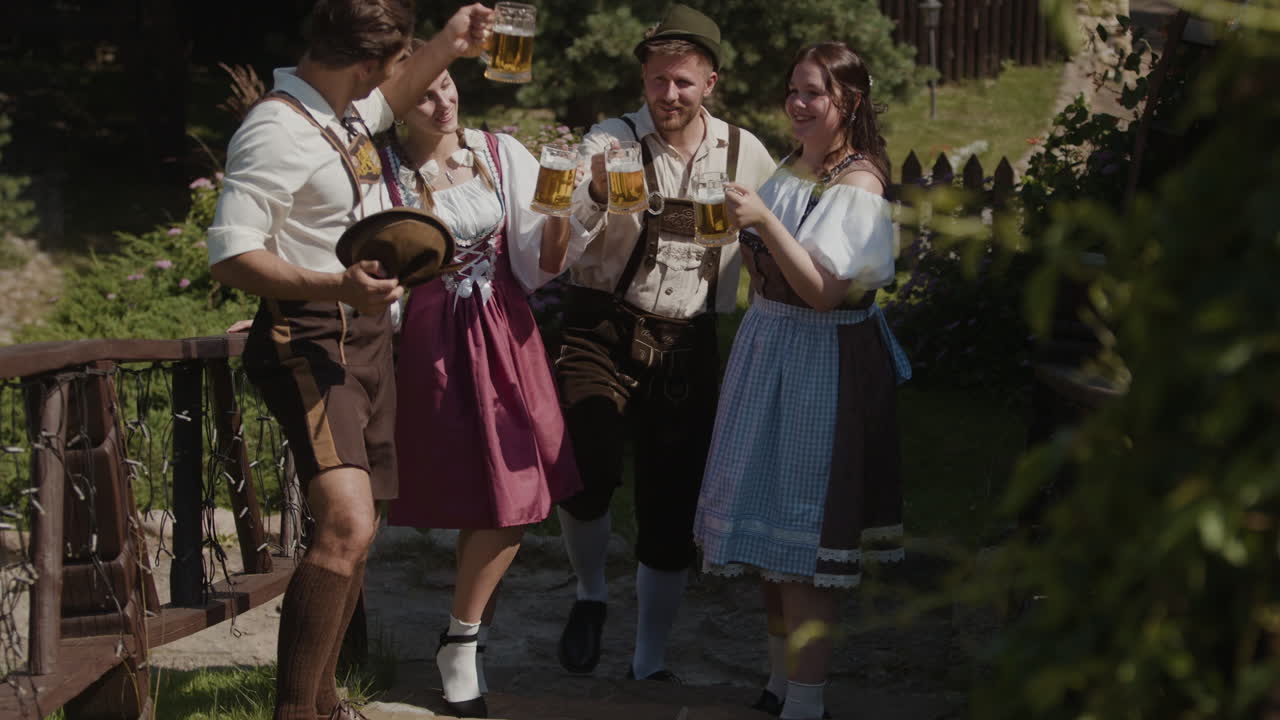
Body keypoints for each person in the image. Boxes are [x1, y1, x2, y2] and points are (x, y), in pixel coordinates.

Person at [205, 3, 492, 719]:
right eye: (397, 61)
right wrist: (336, 285)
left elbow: (395, 96)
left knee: (363, 527)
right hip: (308, 337)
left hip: (365, 335)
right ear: (366, 64)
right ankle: (295, 712)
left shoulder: (342, 114)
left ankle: (325, 702)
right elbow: (231, 254)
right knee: (346, 524)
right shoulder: (275, 130)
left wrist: (452, 41)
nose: (401, 77)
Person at [550, 4, 776, 682]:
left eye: (683, 82)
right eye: (658, 81)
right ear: (643, 80)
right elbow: (558, 236)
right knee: (587, 468)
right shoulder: (610, 141)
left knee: (672, 500)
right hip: (601, 326)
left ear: (710, 82)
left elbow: (779, 236)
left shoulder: (745, 152)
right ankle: (591, 594)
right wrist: (595, 191)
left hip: (687, 337)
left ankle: (649, 656)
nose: (669, 94)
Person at [692, 42, 912, 720]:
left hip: (822, 360)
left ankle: (807, 703)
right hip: (770, 346)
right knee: (765, 529)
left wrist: (762, 220)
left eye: (813, 92)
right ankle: (780, 683)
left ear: (849, 100)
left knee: (803, 536)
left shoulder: (859, 186)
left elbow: (823, 292)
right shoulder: (796, 164)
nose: (797, 103)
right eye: (793, 89)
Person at [377, 59, 586, 718]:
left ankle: (461, 645)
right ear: (397, 104)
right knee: (486, 498)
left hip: (505, 330)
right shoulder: (378, 172)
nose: (443, 102)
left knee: (516, 496)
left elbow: (546, 261)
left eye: (446, 85)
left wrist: (564, 208)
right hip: (432, 341)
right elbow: (356, 262)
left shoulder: (500, 153)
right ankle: (466, 647)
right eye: (424, 95)